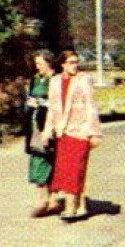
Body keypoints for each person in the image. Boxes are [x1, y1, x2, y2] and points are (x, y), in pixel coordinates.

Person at [42, 50, 103, 222]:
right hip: (63, 132)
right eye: (71, 62)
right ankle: (80, 206)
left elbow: (91, 107)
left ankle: (70, 208)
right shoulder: (54, 82)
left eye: (76, 62)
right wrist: (48, 131)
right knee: (68, 169)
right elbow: (52, 109)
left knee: (75, 169)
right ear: (62, 64)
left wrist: (94, 133)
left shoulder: (84, 79)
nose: (74, 65)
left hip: (81, 131)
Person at [24, 51, 59, 217]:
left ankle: (50, 200)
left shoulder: (55, 80)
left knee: (49, 159)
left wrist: (40, 103)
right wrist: (30, 103)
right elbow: (29, 98)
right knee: (37, 158)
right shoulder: (35, 80)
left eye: (40, 63)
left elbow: (57, 103)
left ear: (48, 63)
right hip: (35, 124)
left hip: (49, 125)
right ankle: (41, 198)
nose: (37, 67)